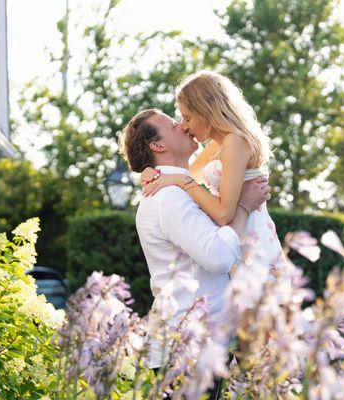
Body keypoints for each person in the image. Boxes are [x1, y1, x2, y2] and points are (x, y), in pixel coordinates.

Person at [120, 108, 271, 399]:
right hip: (185, 348)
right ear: (158, 146)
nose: (184, 126)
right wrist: (244, 207)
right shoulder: (168, 198)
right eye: (174, 125)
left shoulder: (178, 189)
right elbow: (218, 258)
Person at [140, 71, 285, 279]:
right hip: (239, 241)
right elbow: (185, 178)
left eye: (188, 117)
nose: (184, 125)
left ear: (207, 111)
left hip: (256, 246)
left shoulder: (236, 142)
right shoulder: (217, 146)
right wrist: (153, 175)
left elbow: (223, 213)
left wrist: (179, 179)